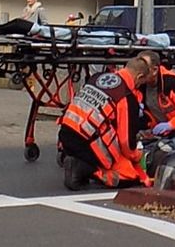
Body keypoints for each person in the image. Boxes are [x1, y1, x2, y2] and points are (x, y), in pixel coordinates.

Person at [58, 60, 153, 190]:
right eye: (141, 83)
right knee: (130, 176)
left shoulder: (97, 77)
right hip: (86, 142)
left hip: (65, 133)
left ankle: (78, 162)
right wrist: (137, 156)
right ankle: (88, 170)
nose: (139, 86)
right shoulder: (126, 96)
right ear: (139, 77)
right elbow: (125, 142)